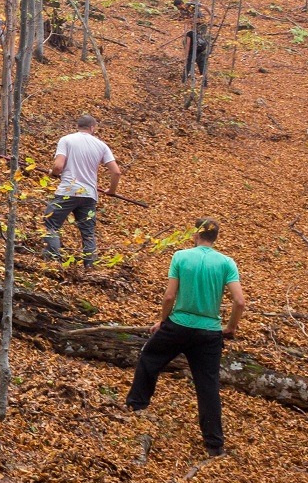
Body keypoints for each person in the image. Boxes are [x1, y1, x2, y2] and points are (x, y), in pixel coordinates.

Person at [127, 217, 247, 457]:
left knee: (149, 358)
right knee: (208, 386)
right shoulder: (226, 263)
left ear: (196, 234)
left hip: (178, 325)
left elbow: (169, 297)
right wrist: (231, 328)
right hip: (210, 333)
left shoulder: (181, 256)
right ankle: (214, 445)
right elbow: (240, 302)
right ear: (216, 237)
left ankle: (136, 407)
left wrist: (162, 320)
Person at [43, 113, 122, 266]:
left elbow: (58, 166)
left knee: (50, 223)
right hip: (89, 196)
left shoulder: (66, 140)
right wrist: (111, 190)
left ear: (78, 126)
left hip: (67, 192)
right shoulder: (101, 146)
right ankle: (89, 267)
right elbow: (116, 172)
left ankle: (53, 262)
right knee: (88, 233)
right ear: (92, 128)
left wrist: (53, 173)